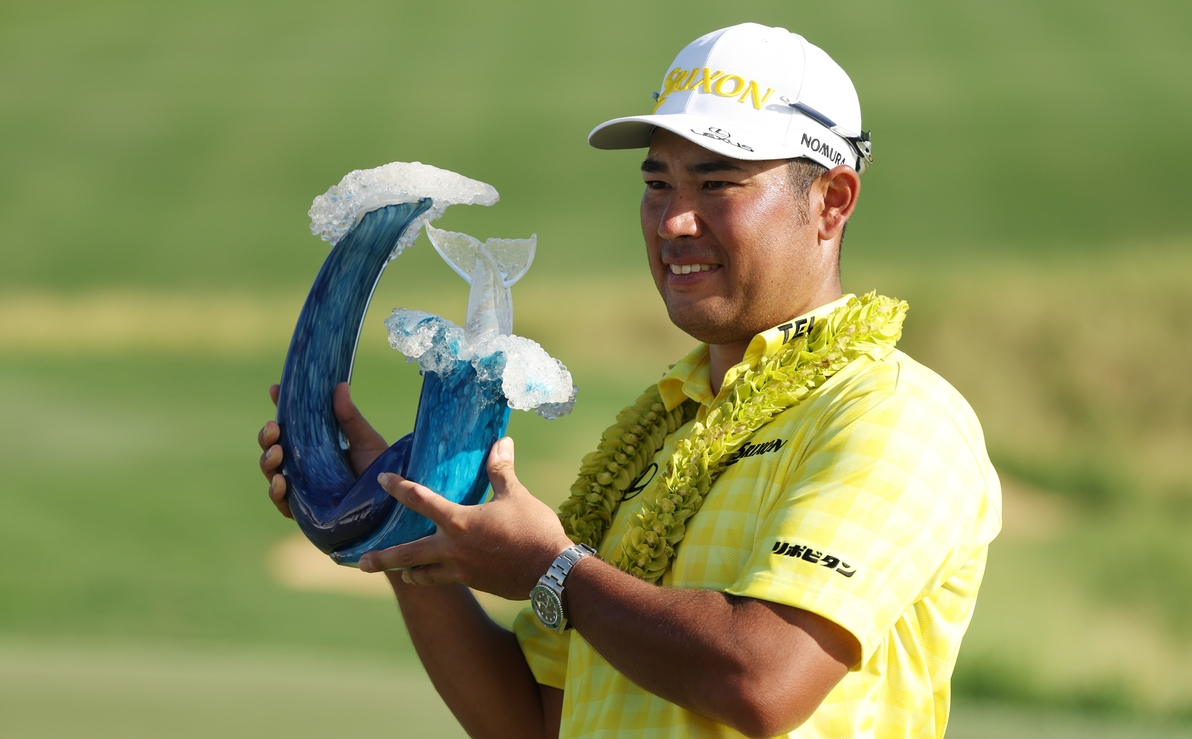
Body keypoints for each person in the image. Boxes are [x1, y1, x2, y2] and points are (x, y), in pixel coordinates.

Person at [257, 23, 1000, 739]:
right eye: (657, 180)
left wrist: (552, 567)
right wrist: (408, 522)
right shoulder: (659, 429)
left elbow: (762, 679)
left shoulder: (895, 415)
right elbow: (531, 723)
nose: (674, 218)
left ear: (831, 202)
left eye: (717, 183)